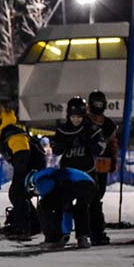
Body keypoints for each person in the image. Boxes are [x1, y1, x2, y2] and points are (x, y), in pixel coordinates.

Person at [51, 96, 106, 242]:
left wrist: (89, 143)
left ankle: (92, 234)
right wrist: (62, 144)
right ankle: (63, 233)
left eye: (79, 117)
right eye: (73, 116)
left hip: (87, 173)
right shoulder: (63, 130)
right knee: (64, 204)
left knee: (90, 204)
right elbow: (55, 149)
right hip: (68, 173)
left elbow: (100, 148)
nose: (76, 120)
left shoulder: (91, 129)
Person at [0, 115, 46, 240]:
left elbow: (22, 152)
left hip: (30, 166)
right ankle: (33, 224)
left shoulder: (10, 133)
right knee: (19, 194)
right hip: (32, 165)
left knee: (17, 193)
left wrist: (20, 173)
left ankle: (23, 228)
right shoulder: (6, 132)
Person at [26, 166, 97, 250]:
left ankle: (53, 239)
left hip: (73, 184)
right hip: (90, 184)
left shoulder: (38, 178)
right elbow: (66, 208)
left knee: (46, 205)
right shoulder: (48, 172)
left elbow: (48, 194)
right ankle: (83, 238)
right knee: (80, 208)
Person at [86, 90, 118, 245]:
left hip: (102, 163)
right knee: (92, 195)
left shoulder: (109, 124)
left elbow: (113, 143)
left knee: (100, 192)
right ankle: (93, 227)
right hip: (87, 163)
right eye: (96, 103)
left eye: (100, 103)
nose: (98, 106)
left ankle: (92, 224)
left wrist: (114, 160)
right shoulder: (85, 121)